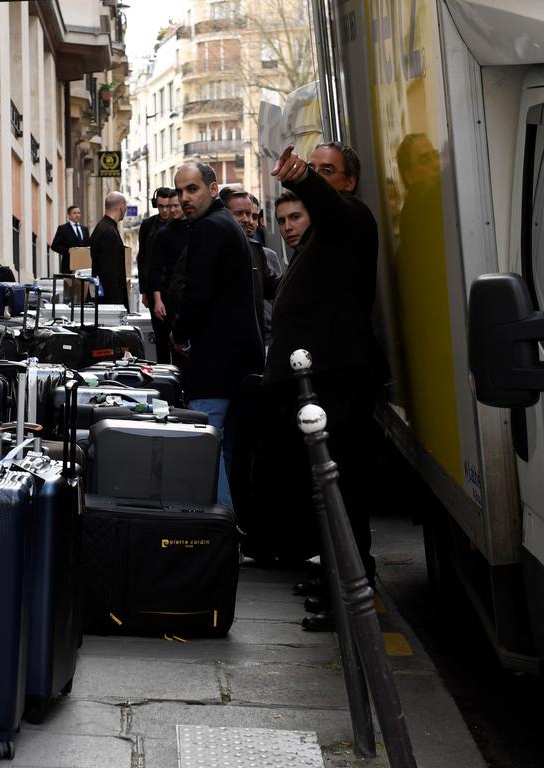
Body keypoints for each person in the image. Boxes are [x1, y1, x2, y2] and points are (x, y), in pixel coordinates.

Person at [262, 141, 388, 632]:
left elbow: (329, 208)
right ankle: (336, 577)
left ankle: (351, 594)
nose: (318, 177)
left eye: (327, 171)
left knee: (341, 488)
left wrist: (299, 177)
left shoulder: (350, 217)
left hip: (339, 376)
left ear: (348, 182)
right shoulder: (320, 234)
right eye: (313, 169)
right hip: (318, 378)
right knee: (324, 487)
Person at [170, 162, 263, 510]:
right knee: (225, 450)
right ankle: (230, 528)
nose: (184, 199)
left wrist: (179, 333)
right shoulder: (224, 225)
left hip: (217, 365)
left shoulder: (210, 228)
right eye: (180, 191)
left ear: (212, 189)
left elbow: (197, 294)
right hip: (240, 363)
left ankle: (221, 533)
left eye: (191, 189)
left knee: (206, 446)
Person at [226, 191, 282, 345]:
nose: (247, 220)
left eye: (251, 215)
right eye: (239, 214)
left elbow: (272, 288)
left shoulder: (257, 251)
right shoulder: (210, 248)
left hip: (257, 340)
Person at [145, 191, 187, 364]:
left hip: (189, 294)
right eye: (169, 206)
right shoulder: (163, 234)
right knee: (169, 342)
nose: (171, 210)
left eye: (175, 206)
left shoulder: (199, 228)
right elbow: (154, 269)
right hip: (169, 295)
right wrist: (157, 300)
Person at [90, 191, 129, 305]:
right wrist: (116, 304)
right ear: (122, 208)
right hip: (110, 300)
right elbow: (109, 271)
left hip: (103, 297)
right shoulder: (109, 232)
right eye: (125, 208)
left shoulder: (101, 227)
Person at [136, 188, 172, 308]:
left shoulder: (181, 223)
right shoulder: (148, 225)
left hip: (174, 284)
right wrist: (144, 291)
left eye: (168, 206)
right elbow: (142, 258)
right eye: (161, 206)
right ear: (156, 205)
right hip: (152, 283)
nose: (165, 210)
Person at [50, 205, 89, 274]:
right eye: (74, 213)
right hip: (69, 266)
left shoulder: (85, 229)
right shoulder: (63, 229)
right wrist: (67, 250)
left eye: (79, 213)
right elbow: (54, 246)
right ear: (69, 215)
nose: (77, 215)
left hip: (83, 267)